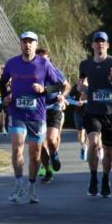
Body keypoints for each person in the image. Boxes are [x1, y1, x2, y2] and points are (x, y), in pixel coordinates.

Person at [0, 33, 65, 204]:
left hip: (37, 114)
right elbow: (2, 82)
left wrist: (44, 90)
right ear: (20, 44)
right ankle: (18, 184)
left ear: (36, 45)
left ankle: (31, 185)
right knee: (17, 148)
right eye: (24, 42)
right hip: (17, 112)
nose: (27, 45)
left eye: (31, 42)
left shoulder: (44, 64)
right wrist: (6, 96)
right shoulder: (12, 63)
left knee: (35, 154)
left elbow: (58, 85)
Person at [78, 31, 112, 198]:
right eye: (97, 42)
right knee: (92, 143)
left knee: (108, 150)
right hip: (92, 112)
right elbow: (82, 83)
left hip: (111, 113)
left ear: (107, 45)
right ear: (92, 45)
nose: (100, 45)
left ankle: (105, 178)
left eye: (103, 42)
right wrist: (81, 87)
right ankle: (93, 177)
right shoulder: (85, 64)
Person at [36, 48, 70, 184]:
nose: (43, 61)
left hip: (54, 107)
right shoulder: (33, 74)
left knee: (50, 139)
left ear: (49, 59)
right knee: (40, 144)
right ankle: (48, 170)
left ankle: (54, 155)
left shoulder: (56, 72)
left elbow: (66, 86)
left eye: (45, 58)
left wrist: (63, 95)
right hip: (39, 109)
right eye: (39, 59)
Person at [67, 83, 87, 161]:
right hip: (78, 113)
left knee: (90, 133)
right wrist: (76, 103)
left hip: (90, 112)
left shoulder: (93, 83)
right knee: (81, 133)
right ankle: (83, 146)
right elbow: (69, 99)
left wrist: (85, 101)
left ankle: (89, 149)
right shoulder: (75, 86)